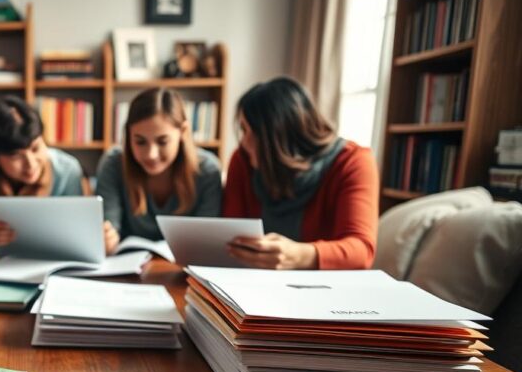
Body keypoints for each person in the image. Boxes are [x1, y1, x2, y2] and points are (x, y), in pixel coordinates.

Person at [223, 76, 379, 270]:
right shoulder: (243, 161)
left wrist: (300, 255)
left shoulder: (352, 162)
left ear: (278, 134)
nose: (243, 141)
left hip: (323, 290)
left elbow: (361, 251)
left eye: (247, 130)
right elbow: (229, 238)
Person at [96, 87, 222, 253]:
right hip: (127, 270)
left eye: (162, 142)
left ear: (183, 132)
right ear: (128, 135)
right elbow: (110, 229)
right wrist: (106, 240)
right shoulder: (113, 164)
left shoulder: (207, 171)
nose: (151, 155)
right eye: (140, 142)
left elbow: (206, 243)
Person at [0, 96, 87, 256]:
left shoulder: (67, 169)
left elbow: (78, 232)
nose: (31, 164)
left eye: (35, 148)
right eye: (15, 156)